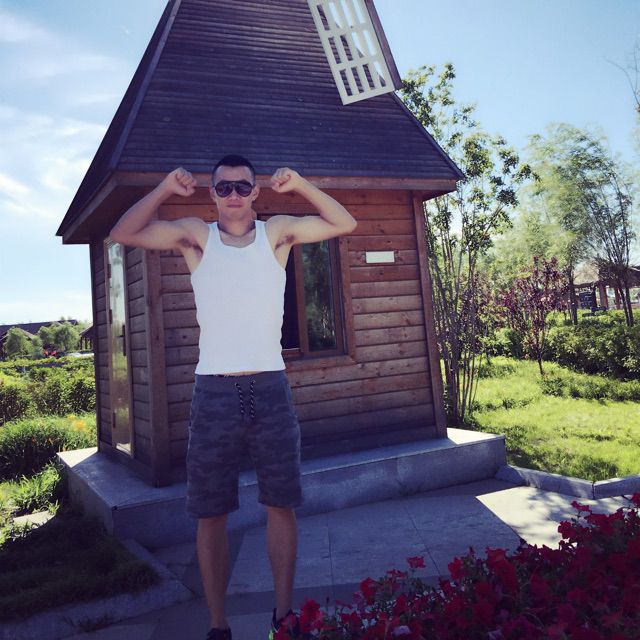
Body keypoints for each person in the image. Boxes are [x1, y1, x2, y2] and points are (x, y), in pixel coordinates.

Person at [109, 155, 357, 640]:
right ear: (213, 193)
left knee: (281, 504)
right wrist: (164, 188)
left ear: (255, 191)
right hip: (214, 391)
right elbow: (124, 232)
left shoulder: (276, 233)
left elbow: (343, 222)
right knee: (210, 512)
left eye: (243, 186)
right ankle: (218, 626)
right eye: (224, 188)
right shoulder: (196, 237)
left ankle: (283, 618)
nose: (234, 195)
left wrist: (301, 184)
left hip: (270, 387)